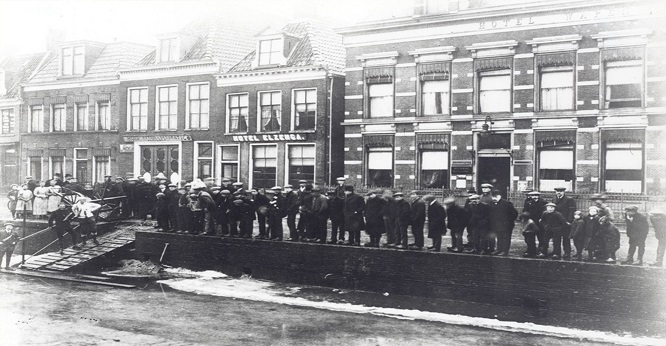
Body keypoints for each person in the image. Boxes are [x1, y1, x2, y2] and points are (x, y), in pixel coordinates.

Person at [489, 190, 518, 256]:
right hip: (497, 225)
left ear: (500, 196)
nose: (494, 198)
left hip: (506, 225)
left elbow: (514, 213)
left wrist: (508, 221)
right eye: (492, 197)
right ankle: (499, 250)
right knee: (499, 238)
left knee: (506, 238)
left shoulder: (507, 203)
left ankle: (504, 251)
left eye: (496, 196)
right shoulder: (491, 203)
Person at [553, 187, 576, 259]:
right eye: (557, 191)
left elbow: (572, 210)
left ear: (564, 192)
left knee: (566, 238)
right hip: (556, 222)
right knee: (556, 238)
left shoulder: (569, 199)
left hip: (565, 222)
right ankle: (556, 253)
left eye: (560, 191)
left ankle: (567, 253)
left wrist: (569, 221)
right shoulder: (554, 199)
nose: (559, 193)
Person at [523, 191, 547, 256]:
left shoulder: (543, 203)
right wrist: (528, 219)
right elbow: (525, 211)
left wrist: (542, 219)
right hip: (531, 222)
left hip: (540, 222)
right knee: (530, 237)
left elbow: (545, 212)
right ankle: (531, 251)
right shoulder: (528, 203)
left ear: (539, 196)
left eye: (536, 195)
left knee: (541, 237)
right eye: (533, 195)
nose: (534, 197)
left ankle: (541, 251)